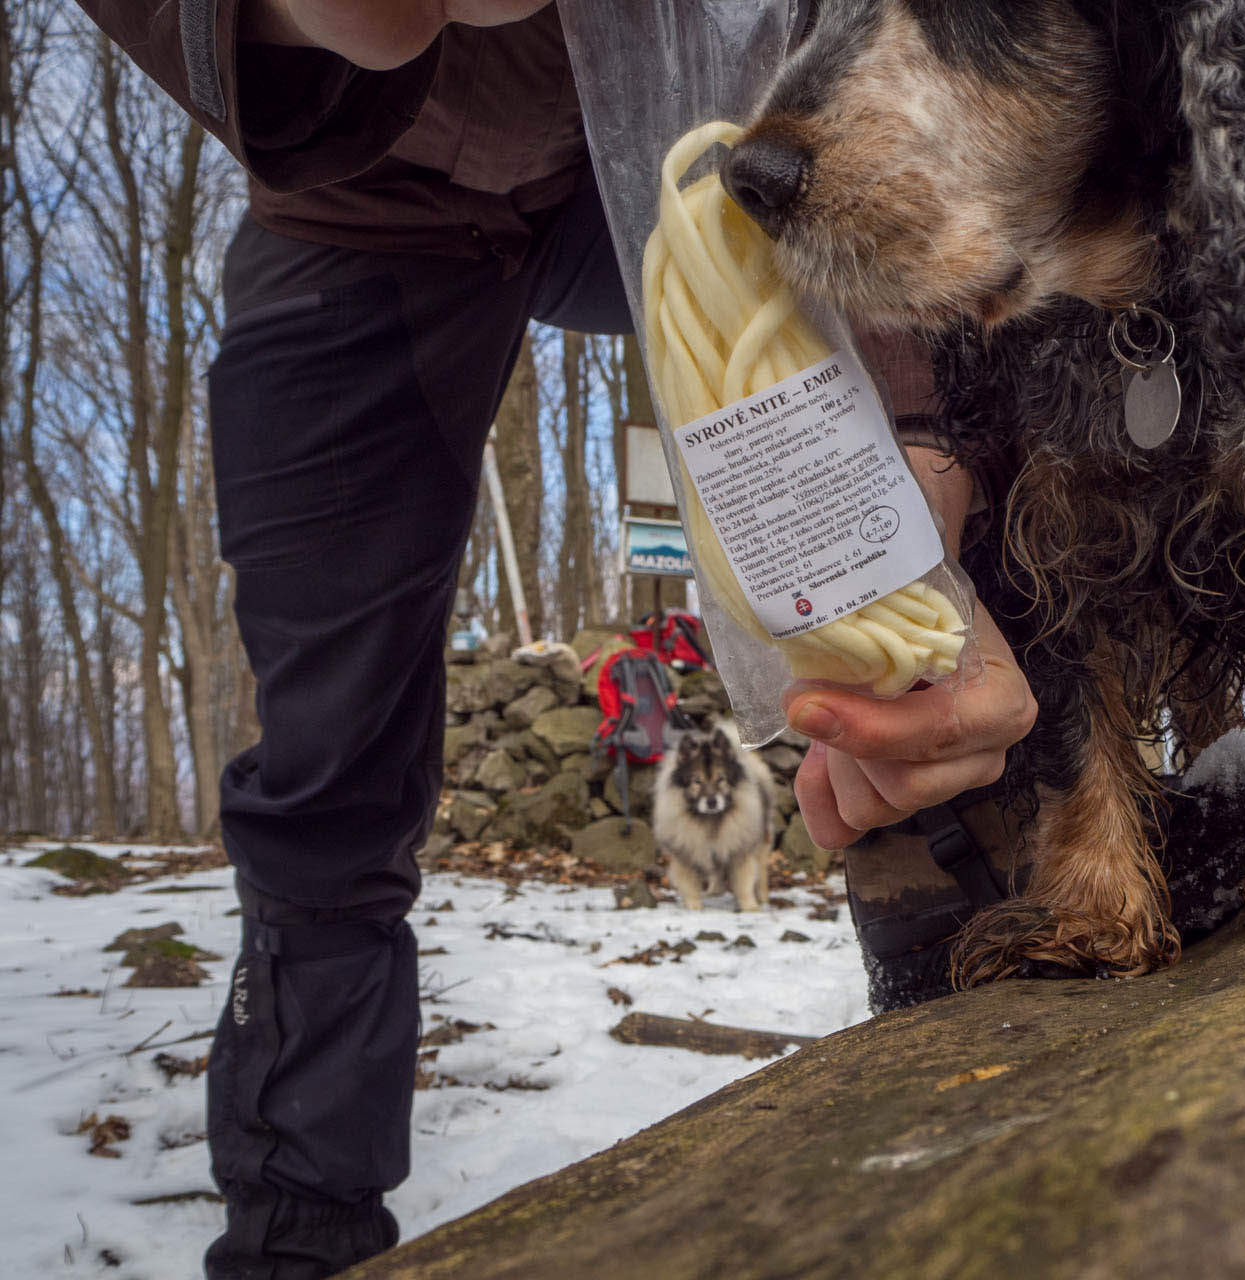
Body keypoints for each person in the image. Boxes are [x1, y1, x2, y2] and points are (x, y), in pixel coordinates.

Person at [72, 1, 1036, 1274]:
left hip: (670, 146)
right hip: (357, 209)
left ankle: (999, 990)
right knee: (325, 756)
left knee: (938, 476)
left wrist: (927, 434)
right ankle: (297, 1237)